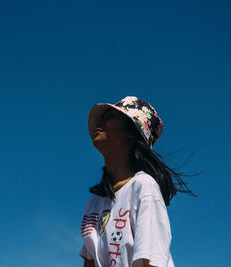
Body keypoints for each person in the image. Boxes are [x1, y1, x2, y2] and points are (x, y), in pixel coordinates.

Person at [79, 96, 197, 267]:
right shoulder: (92, 204)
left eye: (110, 117)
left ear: (131, 133)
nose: (100, 123)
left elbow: (151, 261)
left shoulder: (143, 187)